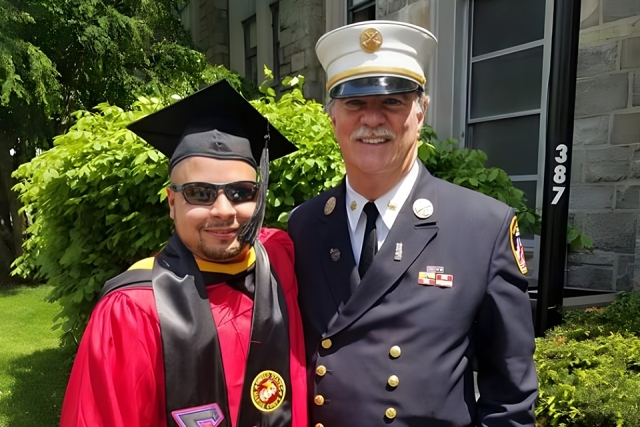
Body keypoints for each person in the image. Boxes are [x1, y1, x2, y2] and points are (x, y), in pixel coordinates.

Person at [288, 20, 537, 426]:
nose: (372, 119)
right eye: (354, 104)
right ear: (332, 117)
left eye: (392, 102)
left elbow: (510, 397)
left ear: (420, 112)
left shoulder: (482, 227)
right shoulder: (304, 224)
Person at [60, 80, 307, 427]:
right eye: (200, 193)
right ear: (172, 202)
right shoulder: (133, 309)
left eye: (241, 192)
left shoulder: (279, 259)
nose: (224, 210)